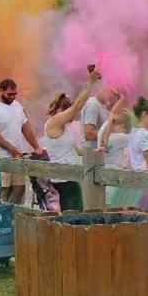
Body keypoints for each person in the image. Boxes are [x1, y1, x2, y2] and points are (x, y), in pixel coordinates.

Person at [40, 69, 102, 212]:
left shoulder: (62, 128)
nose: (71, 117)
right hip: (65, 178)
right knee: (73, 216)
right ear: (61, 108)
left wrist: (94, 151)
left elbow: (76, 149)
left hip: (70, 177)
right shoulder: (54, 122)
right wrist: (91, 82)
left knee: (74, 213)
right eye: (68, 111)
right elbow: (78, 104)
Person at [0, 78, 44, 204]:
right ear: (1, 90)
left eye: (15, 94)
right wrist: (12, 149)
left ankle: (10, 215)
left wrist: (36, 147)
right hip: (1, 156)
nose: (12, 97)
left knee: (19, 189)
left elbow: (26, 128)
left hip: (18, 155)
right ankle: (0, 217)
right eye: (9, 94)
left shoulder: (17, 106)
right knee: (3, 190)